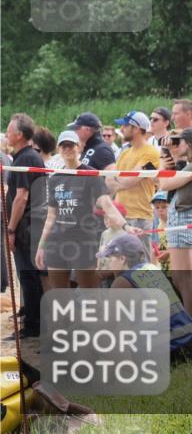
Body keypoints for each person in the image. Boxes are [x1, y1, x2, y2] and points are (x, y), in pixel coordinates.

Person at [36, 130, 127, 289]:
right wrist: (41, 246)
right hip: (57, 241)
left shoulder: (90, 174)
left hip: (83, 239)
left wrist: (125, 225)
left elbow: (106, 203)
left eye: (71, 145)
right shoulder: (56, 178)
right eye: (63, 146)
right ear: (58, 149)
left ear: (79, 147)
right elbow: (51, 216)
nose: (67, 149)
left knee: (90, 292)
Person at [101, 233, 192, 363]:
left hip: (167, 349)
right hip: (189, 342)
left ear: (122, 259)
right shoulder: (152, 269)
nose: (108, 264)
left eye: (110, 258)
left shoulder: (122, 282)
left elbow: (109, 326)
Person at [157, 127, 192, 317]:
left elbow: (164, 185)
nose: (176, 144)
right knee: (184, 277)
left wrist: (162, 162)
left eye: (179, 141)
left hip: (182, 220)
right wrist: (169, 154)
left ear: (188, 144)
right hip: (183, 218)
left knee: (183, 279)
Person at [4, 114, 47, 339]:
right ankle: (34, 320)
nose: (6, 133)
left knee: (28, 275)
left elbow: (21, 197)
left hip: (27, 224)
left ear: (19, 134)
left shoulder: (25, 159)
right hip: (31, 223)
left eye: (9, 130)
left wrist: (11, 229)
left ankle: (33, 326)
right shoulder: (26, 156)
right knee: (30, 276)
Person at [105, 111, 160, 254]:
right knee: (119, 264)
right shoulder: (125, 153)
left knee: (141, 267)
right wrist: (121, 181)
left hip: (139, 215)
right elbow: (109, 181)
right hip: (120, 215)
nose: (122, 129)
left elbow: (129, 181)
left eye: (125, 126)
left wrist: (119, 181)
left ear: (136, 129)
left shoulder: (151, 152)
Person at [150, 188, 172, 274]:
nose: (160, 210)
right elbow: (163, 243)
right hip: (165, 267)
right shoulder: (159, 225)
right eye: (157, 207)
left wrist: (167, 253)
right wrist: (158, 250)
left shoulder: (173, 225)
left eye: (164, 207)